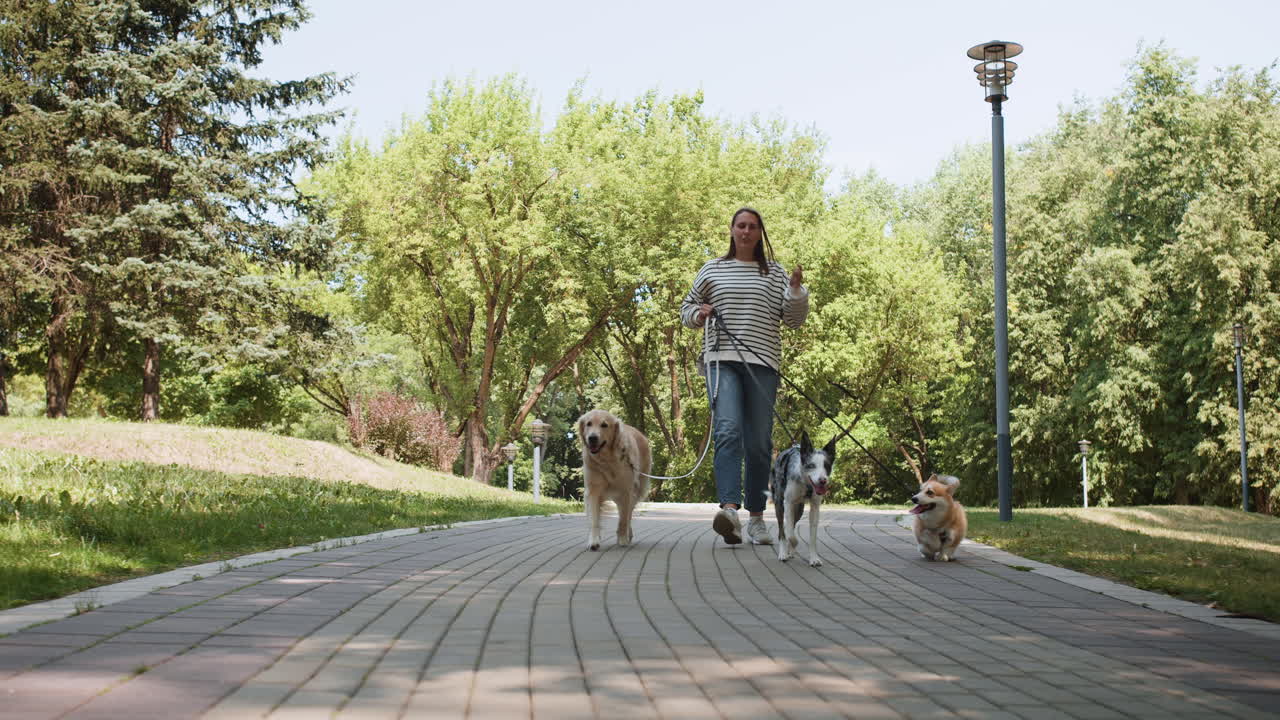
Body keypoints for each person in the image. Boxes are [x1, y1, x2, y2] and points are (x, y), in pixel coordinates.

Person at [680, 207, 809, 545]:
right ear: (732, 230)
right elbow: (686, 308)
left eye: (753, 226)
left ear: (760, 232)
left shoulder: (777, 274)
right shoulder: (713, 269)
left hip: (763, 363)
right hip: (721, 362)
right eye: (741, 225)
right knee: (727, 429)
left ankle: (756, 518)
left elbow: (794, 321)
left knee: (758, 441)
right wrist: (699, 312)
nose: (747, 231)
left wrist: (796, 291)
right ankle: (729, 512)